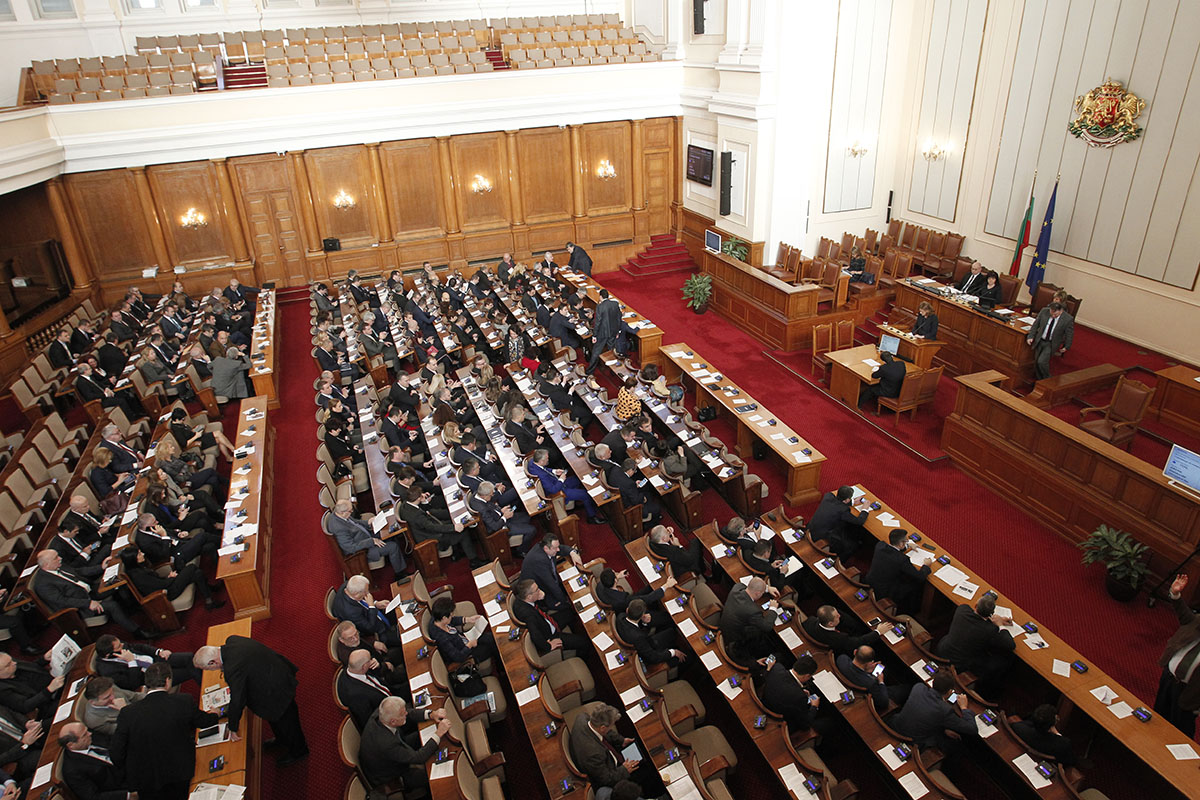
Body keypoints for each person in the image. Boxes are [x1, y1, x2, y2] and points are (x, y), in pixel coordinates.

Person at [193, 636, 308, 766]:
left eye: (208, 669)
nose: (211, 671)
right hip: (272, 673)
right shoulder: (232, 640)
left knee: (288, 722)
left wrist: (233, 727)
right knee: (277, 720)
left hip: (277, 689)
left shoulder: (232, 668)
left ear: (212, 662)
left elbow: (238, 699)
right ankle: (282, 739)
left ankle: (299, 750)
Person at [110, 662, 218, 800]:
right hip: (180, 771)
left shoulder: (127, 713)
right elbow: (204, 722)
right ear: (167, 681)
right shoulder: (183, 701)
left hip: (147, 779)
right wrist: (215, 714)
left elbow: (116, 753)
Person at [32, 550, 157, 640]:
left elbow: (79, 571)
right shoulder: (43, 584)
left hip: (89, 591)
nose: (60, 558)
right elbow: (62, 601)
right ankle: (137, 632)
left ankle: (133, 608)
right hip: (79, 607)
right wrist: (88, 603)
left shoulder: (58, 566)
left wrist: (101, 567)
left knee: (119, 582)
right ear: (47, 565)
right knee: (112, 606)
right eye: (56, 558)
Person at [358, 696, 452, 796]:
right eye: (402, 715)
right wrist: (439, 733)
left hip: (396, 746)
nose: (406, 713)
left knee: (424, 735)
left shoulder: (382, 713)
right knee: (432, 775)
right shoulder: (387, 744)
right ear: (393, 721)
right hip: (391, 775)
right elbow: (418, 757)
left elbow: (408, 713)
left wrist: (431, 714)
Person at [936, 594, 1015, 701]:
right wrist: (1000, 624)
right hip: (961, 664)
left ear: (976, 605)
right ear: (991, 613)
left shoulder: (962, 610)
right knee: (1002, 661)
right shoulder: (990, 630)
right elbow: (1010, 645)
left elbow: (975, 619)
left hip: (943, 650)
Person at [1154, 573, 1200, 736]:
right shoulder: (1197, 621)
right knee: (1158, 715)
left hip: (1189, 693)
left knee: (1179, 730)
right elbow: (1184, 615)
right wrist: (1176, 594)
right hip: (1169, 678)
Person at [890, 669, 977, 755]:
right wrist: (964, 707)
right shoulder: (945, 710)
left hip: (895, 727)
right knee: (954, 744)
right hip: (913, 741)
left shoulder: (919, 687)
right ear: (950, 692)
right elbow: (972, 729)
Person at [397, 485, 482, 567]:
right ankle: (474, 561)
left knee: (452, 522)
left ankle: (457, 552)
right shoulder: (417, 516)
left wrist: (424, 502)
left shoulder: (406, 504)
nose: (423, 495)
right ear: (417, 498)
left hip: (426, 529)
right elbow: (433, 527)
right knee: (463, 532)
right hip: (431, 537)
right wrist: (454, 528)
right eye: (421, 495)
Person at [568, 704, 640, 792]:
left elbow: (606, 732)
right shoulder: (594, 753)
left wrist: (621, 740)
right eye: (611, 725)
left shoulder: (582, 718)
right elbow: (606, 779)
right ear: (603, 728)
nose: (612, 727)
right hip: (608, 772)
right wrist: (624, 770)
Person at [327, 499, 408, 576]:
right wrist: (371, 541)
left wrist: (368, 522)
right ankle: (400, 573)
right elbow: (351, 548)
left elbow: (355, 522)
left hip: (366, 535)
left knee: (390, 532)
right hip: (364, 550)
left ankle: (399, 559)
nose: (351, 512)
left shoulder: (339, 514)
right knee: (393, 547)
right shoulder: (338, 528)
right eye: (350, 511)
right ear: (342, 512)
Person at [94, 634, 199, 691]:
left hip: (156, 660)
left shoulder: (120, 646)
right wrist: (131, 662)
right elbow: (132, 684)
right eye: (119, 647)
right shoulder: (108, 671)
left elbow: (139, 647)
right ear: (109, 654)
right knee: (191, 670)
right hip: (153, 676)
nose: (123, 645)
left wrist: (158, 651)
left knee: (190, 657)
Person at [512, 578, 588, 656]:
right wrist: (549, 646)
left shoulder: (521, 600)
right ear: (529, 597)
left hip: (547, 621)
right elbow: (535, 635)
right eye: (537, 590)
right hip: (550, 633)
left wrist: (539, 597)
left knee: (571, 610)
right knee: (584, 642)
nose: (539, 591)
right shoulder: (529, 615)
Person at [528, 448, 603, 524]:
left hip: (556, 482)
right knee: (585, 494)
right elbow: (553, 490)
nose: (548, 459)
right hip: (559, 492)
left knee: (578, 479)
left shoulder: (532, 462)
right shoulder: (542, 476)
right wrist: (561, 479)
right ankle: (592, 517)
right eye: (547, 458)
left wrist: (554, 471)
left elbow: (544, 468)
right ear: (541, 461)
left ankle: (586, 502)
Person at [865, 528, 931, 613]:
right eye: (906, 541)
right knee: (916, 583)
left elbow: (893, 550)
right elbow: (920, 576)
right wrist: (926, 566)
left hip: (870, 580)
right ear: (901, 543)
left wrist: (908, 546)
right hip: (886, 591)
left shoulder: (880, 545)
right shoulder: (902, 559)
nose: (907, 542)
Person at [59, 721, 130, 800]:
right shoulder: (72, 770)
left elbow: (112, 741)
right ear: (71, 745)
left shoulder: (88, 736)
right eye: (84, 735)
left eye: (87, 730)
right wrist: (129, 796)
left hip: (129, 761)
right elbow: (93, 797)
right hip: (124, 784)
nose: (90, 733)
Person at [719, 577, 778, 665]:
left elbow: (744, 585)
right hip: (737, 642)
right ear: (758, 593)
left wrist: (767, 588)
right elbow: (766, 626)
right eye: (761, 593)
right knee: (761, 634)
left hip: (726, 627)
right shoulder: (752, 611)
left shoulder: (736, 588)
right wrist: (773, 608)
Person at [339, 648, 400, 731]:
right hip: (390, 715)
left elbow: (378, 675)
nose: (372, 660)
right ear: (364, 667)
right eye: (370, 660)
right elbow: (371, 721)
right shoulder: (356, 696)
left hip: (392, 692)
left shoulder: (354, 668)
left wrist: (378, 666)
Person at [427, 596, 497, 668]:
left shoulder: (436, 617)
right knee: (493, 645)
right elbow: (458, 657)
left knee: (491, 637)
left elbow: (451, 621)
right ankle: (501, 668)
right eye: (451, 615)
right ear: (444, 618)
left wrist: (467, 619)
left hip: (464, 639)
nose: (453, 616)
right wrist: (470, 645)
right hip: (466, 654)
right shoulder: (442, 638)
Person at [332, 575, 401, 647]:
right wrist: (371, 606)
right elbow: (370, 628)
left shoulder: (348, 586)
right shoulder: (350, 613)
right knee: (402, 637)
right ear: (357, 595)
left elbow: (363, 600)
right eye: (366, 592)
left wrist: (376, 603)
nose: (368, 593)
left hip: (374, 614)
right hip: (378, 631)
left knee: (400, 610)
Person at [835, 645, 911, 712]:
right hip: (868, 697)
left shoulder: (841, 659)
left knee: (885, 669)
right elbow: (883, 703)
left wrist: (866, 671)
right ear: (868, 663)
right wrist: (881, 682)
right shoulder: (870, 683)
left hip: (849, 682)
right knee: (907, 688)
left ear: (855, 652)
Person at [469, 480, 537, 554]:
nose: (492, 496)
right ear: (484, 496)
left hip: (499, 516)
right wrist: (505, 517)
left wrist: (501, 511)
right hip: (500, 528)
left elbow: (490, 505)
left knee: (527, 517)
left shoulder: (477, 494)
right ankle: (521, 551)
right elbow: (494, 526)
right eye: (491, 495)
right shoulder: (482, 509)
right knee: (532, 530)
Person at [519, 532, 583, 610]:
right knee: (565, 607)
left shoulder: (546, 547)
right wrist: (565, 601)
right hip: (538, 591)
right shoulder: (539, 561)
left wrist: (572, 553)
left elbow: (562, 548)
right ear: (546, 548)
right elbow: (551, 585)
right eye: (556, 548)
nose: (558, 549)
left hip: (548, 580)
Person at [760, 654, 823, 732]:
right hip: (781, 721)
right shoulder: (800, 697)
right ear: (807, 676)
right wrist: (814, 707)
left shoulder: (777, 668)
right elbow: (805, 724)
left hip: (765, 703)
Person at [617, 599, 685, 668]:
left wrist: (643, 622)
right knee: (688, 655)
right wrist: (673, 652)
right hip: (651, 652)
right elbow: (653, 657)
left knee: (671, 632)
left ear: (627, 610)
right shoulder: (639, 638)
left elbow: (632, 625)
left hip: (646, 642)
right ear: (642, 615)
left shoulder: (620, 617)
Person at [807, 486, 870, 559]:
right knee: (852, 546)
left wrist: (852, 502)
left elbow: (837, 503)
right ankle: (837, 561)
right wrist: (865, 509)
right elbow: (859, 521)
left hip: (811, 528)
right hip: (821, 537)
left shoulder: (828, 496)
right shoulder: (843, 510)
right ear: (847, 499)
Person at [0, 652, 63, 720]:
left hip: (54, 683)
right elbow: (25, 706)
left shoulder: (13, 664)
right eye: (8, 664)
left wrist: (44, 659)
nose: (14, 663)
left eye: (11, 660)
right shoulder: (3, 690)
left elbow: (31, 666)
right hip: (46, 703)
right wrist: (49, 690)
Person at [1011, 704, 1078, 766]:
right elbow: (1071, 761)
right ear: (1053, 723)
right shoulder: (1063, 745)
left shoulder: (1018, 727)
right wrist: (1057, 733)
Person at [801, 605, 881, 655]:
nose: (839, 615)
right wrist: (878, 632)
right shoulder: (839, 638)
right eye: (837, 616)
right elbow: (858, 642)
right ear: (830, 624)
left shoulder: (810, 621)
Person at [1026, 301, 1074, 380]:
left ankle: (1048, 379)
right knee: (1036, 362)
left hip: (1051, 343)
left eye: (1055, 314)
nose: (1053, 316)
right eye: (1051, 313)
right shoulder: (1044, 311)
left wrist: (1066, 346)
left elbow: (1069, 334)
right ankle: (1040, 380)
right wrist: (1030, 336)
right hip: (1040, 340)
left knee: (1041, 361)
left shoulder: (1067, 319)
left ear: (1061, 311)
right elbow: (1036, 324)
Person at [589, 288, 621, 373]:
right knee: (612, 352)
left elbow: (597, 322)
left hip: (602, 333)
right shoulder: (615, 304)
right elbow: (618, 318)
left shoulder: (600, 306)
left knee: (596, 352)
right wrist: (618, 331)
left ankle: (590, 371)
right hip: (613, 332)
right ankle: (613, 371)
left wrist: (594, 335)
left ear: (600, 296)